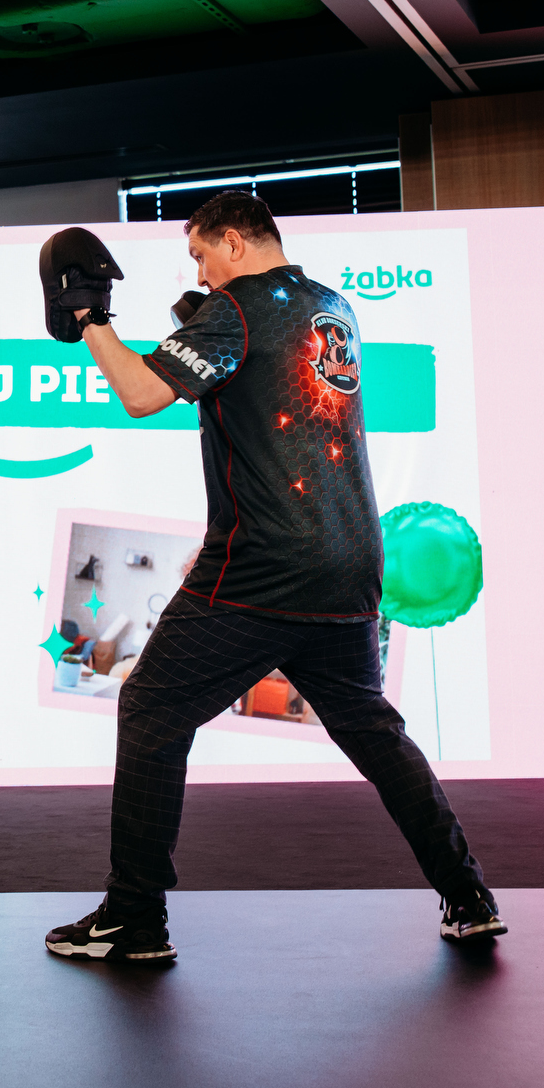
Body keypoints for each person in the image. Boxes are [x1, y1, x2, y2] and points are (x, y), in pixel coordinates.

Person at [37, 191, 504, 964]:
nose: (200, 272)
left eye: (200, 255)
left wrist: (92, 321)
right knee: (373, 732)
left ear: (233, 243)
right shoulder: (332, 310)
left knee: (151, 707)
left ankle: (134, 918)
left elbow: (141, 394)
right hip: (348, 560)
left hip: (264, 566)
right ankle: (470, 896)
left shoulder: (238, 310)